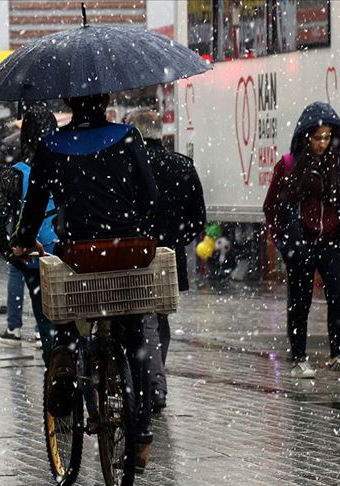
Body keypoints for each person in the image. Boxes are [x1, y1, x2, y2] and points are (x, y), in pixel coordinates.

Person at [11, 93, 159, 471]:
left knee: (67, 323)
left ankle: (66, 374)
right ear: (106, 97)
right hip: (127, 251)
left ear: (70, 101)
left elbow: (35, 203)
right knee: (137, 339)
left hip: (79, 255)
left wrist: (23, 240)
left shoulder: (51, 145)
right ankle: (140, 436)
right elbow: (150, 197)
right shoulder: (128, 136)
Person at [263, 102, 340, 379]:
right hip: (302, 242)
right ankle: (299, 357)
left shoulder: (336, 165)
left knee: (339, 295)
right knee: (300, 301)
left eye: (328, 137)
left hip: (330, 241)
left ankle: (337, 354)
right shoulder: (289, 165)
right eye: (318, 137)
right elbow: (271, 206)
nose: (323, 143)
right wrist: (283, 239)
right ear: (306, 137)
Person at [125, 108, 206, 412]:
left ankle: (151, 384)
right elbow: (198, 219)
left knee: (139, 318)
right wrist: (174, 240)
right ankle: (153, 379)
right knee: (159, 319)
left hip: (132, 254)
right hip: (168, 258)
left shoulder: (127, 166)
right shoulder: (182, 166)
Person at [0, 107, 57, 361]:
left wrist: (13, 256)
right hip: (70, 256)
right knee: (76, 321)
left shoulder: (13, 174)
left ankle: (57, 375)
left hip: (35, 258)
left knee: (46, 320)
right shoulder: (69, 164)